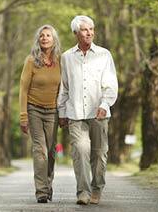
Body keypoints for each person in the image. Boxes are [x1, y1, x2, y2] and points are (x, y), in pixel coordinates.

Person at [58, 15, 118, 205]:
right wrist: (61, 112)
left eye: (91, 29)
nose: (89, 32)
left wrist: (105, 104)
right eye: (85, 29)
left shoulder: (104, 54)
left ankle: (97, 188)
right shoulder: (67, 57)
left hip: (99, 112)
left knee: (99, 153)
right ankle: (82, 192)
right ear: (76, 33)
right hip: (75, 113)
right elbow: (64, 87)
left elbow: (110, 84)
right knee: (80, 151)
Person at [19, 24, 61, 203]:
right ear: (38, 39)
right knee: (40, 149)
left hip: (53, 111)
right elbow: (23, 89)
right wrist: (23, 116)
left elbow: (63, 89)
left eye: (48, 35)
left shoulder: (61, 61)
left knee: (51, 152)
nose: (45, 38)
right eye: (42, 35)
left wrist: (65, 112)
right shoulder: (31, 61)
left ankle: (48, 184)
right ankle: (41, 191)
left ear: (54, 39)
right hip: (34, 109)